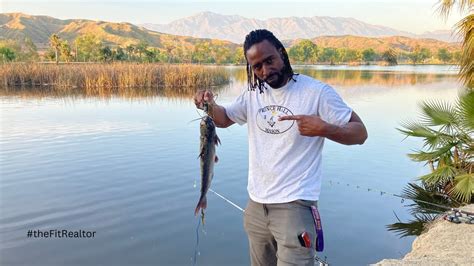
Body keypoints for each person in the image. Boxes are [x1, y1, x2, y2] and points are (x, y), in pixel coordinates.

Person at [194, 29, 368, 266]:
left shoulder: (317, 92)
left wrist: (325, 128)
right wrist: (209, 105)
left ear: (282, 54)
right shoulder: (253, 94)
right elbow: (224, 119)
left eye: (269, 60)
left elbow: (360, 133)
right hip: (256, 206)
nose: (265, 71)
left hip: (295, 208)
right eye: (257, 66)